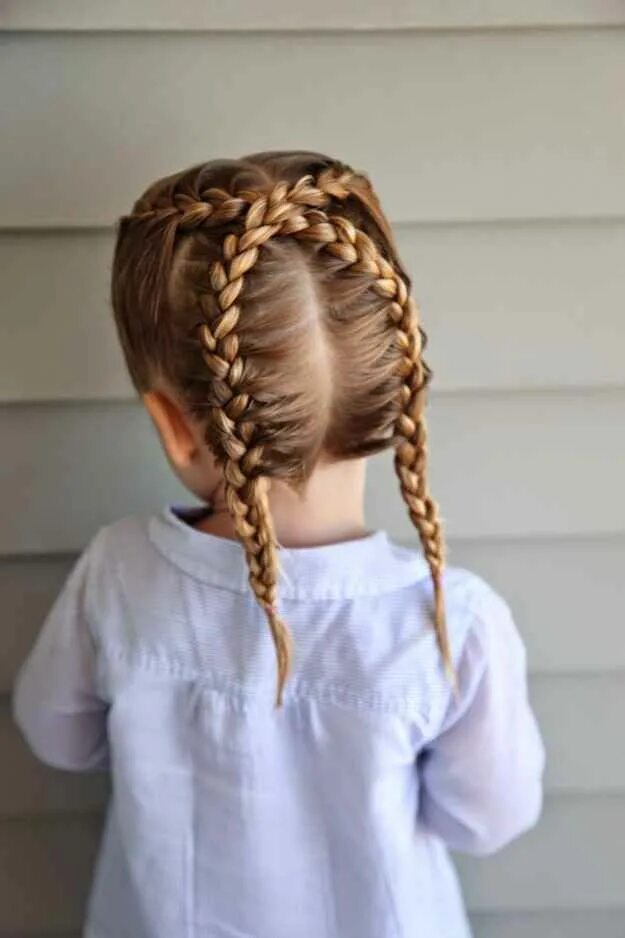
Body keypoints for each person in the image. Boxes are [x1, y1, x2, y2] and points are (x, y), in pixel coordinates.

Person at [13, 151, 545, 938]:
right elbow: (487, 819)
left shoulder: (118, 573)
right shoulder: (448, 621)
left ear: (172, 425)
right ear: (399, 378)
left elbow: (55, 737)